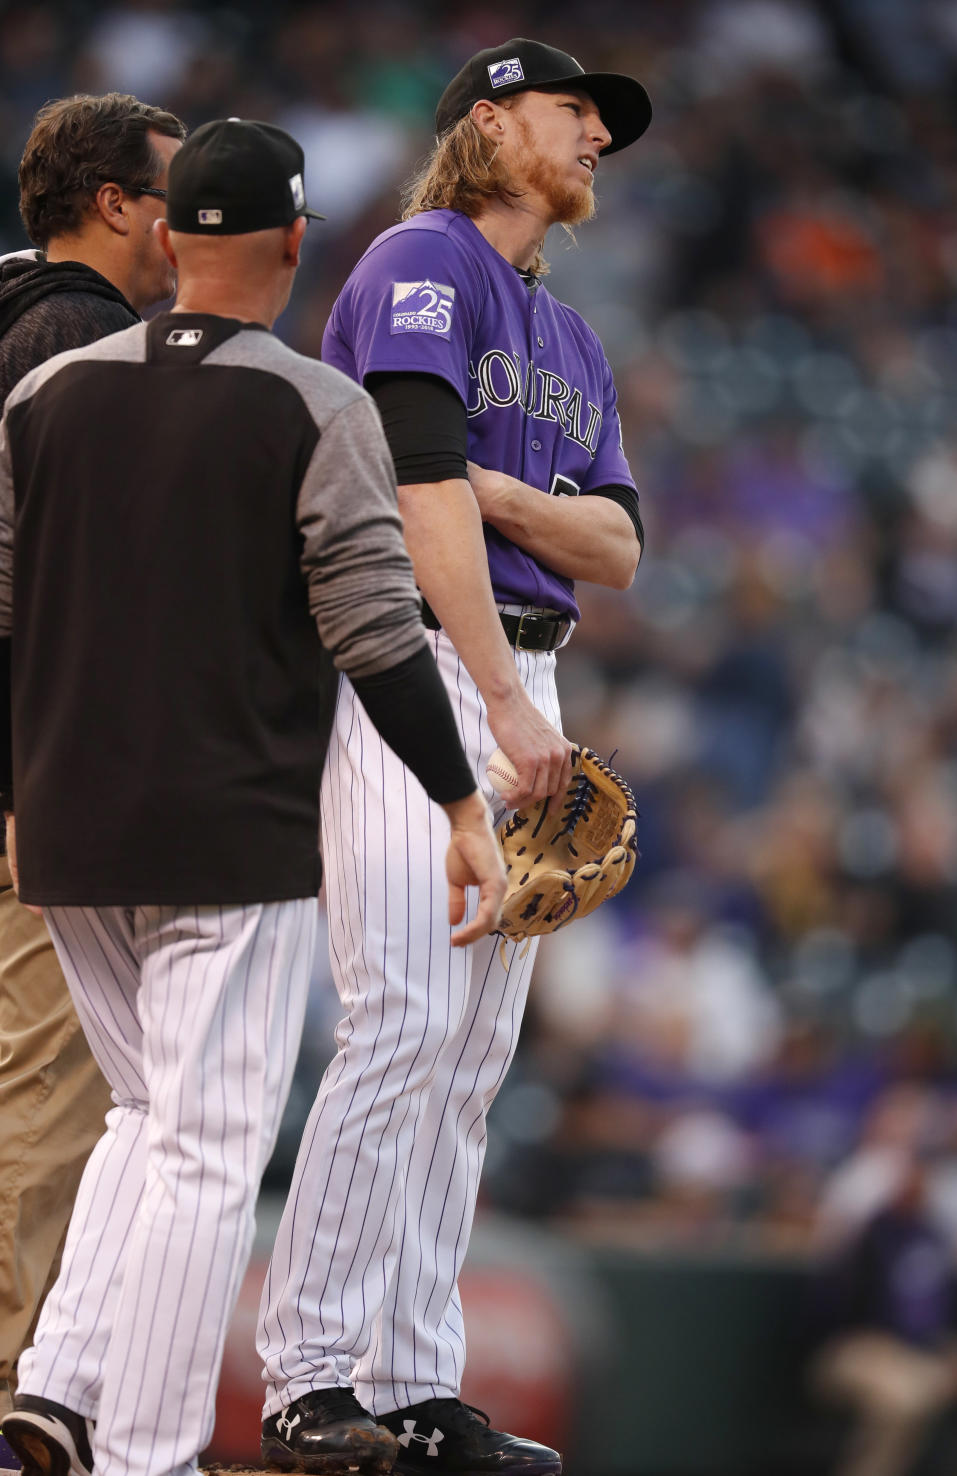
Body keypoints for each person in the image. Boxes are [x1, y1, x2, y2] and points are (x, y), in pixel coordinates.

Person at [0, 117, 506, 1476]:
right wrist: (461, 804)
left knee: (145, 1121)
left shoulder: (45, 399)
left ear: (170, 238)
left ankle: (52, 1395)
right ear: (292, 243)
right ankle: (150, 1457)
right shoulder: (310, 401)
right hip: (224, 825)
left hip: (61, 824)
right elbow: (376, 632)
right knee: (211, 1153)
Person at [258, 38, 651, 1475]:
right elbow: (419, 489)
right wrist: (500, 694)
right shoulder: (425, 259)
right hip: (416, 668)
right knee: (405, 1022)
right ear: (491, 124)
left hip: (521, 670)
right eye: (573, 110)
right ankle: (307, 1379)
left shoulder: (570, 335)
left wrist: (500, 497)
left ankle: (414, 1381)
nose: (599, 133)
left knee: (474, 1057)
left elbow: (618, 545)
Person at [0, 91, 186, 1420]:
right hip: (33, 779)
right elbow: (62, 590)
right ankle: (15, 1393)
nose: (191, 222)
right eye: (173, 193)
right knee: (50, 1105)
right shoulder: (83, 340)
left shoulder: (20, 315)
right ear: (113, 202)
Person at [808, 1155, 957, 1476]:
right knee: (904, 1399)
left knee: (917, 1390)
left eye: (922, 1183)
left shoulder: (931, 1237)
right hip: (859, 1350)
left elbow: (941, 1313)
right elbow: (832, 1313)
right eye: (907, 1182)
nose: (915, 1189)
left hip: (920, 1355)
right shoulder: (869, 1239)